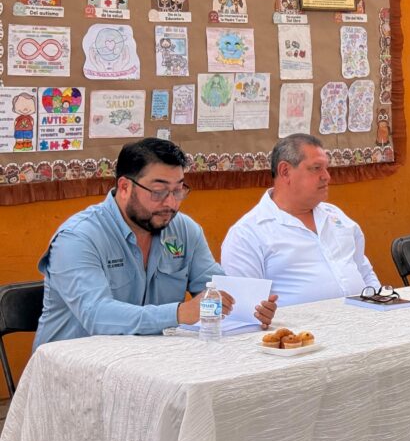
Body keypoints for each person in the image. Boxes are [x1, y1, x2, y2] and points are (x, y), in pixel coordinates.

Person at [34, 138, 278, 349]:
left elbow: (215, 289)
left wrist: (250, 308)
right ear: (125, 187)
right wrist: (180, 313)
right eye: (159, 192)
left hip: (150, 362)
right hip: (74, 369)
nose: (171, 203)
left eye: (179, 191)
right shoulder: (79, 237)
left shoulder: (183, 229)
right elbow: (97, 316)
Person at [222, 134, 381, 305]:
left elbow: (364, 272)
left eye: (326, 168)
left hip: (363, 321)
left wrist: (383, 304)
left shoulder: (336, 216)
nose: (326, 176)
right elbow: (245, 309)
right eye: (316, 168)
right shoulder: (248, 234)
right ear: (285, 171)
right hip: (299, 330)